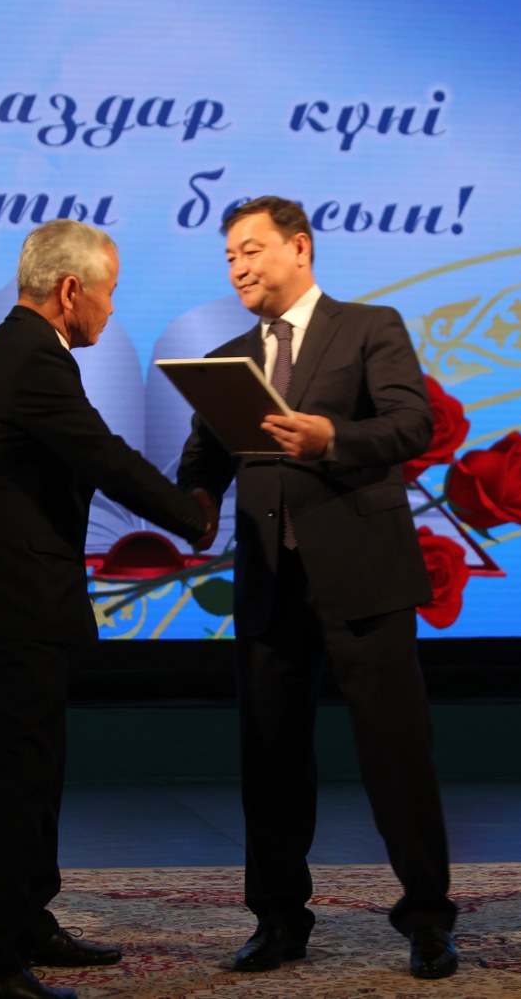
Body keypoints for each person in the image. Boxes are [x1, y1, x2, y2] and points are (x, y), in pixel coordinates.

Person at [0, 219, 213, 999]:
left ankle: (26, 921)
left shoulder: (21, 349)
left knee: (37, 772)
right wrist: (190, 515)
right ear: (70, 290)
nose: (113, 309)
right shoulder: (32, 359)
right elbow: (103, 454)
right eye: (110, 291)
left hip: (22, 598)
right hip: (14, 601)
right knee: (17, 780)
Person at [176, 196, 459, 980]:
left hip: (363, 575)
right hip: (270, 581)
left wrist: (333, 437)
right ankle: (277, 920)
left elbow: (412, 425)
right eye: (229, 257)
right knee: (269, 757)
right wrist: (195, 499)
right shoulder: (231, 358)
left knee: (396, 751)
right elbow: (205, 457)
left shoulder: (369, 327)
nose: (238, 268)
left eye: (251, 250)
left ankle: (428, 919)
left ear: (299, 247)